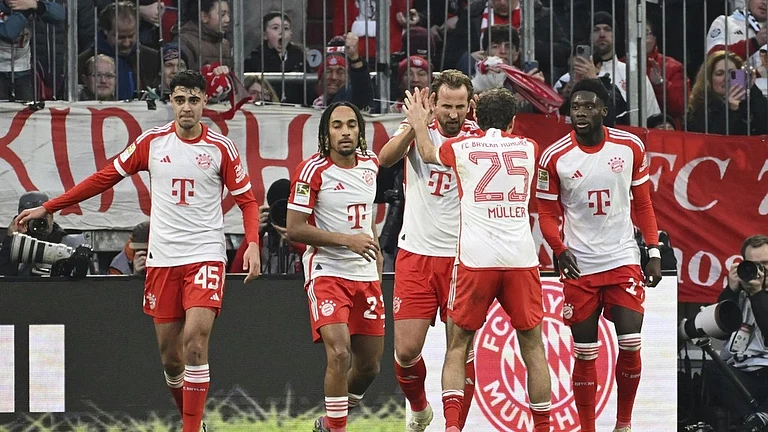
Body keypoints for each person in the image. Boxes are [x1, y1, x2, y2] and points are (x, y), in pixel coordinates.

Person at [15, 70, 262, 432]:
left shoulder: (221, 148)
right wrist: (50, 206)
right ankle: (194, 420)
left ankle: (191, 430)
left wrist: (252, 241)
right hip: (163, 259)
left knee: (195, 343)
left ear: (205, 102)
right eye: (180, 100)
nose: (187, 108)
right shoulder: (152, 143)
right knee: (171, 359)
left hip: (205, 253)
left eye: (194, 100)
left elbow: (248, 201)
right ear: (171, 102)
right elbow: (104, 177)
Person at [403, 86, 552, 432]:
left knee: (457, 346)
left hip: (476, 258)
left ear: (474, 115)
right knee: (533, 347)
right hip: (520, 258)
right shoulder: (529, 148)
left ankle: (452, 427)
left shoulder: (462, 147)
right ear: (514, 121)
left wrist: (418, 123)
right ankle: (544, 428)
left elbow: (425, 152)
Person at [536, 78, 663, 432]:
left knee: (631, 341)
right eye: (575, 107)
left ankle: (624, 424)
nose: (581, 113)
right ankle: (588, 428)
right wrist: (558, 250)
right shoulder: (554, 157)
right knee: (585, 351)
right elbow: (546, 213)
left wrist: (651, 249)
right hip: (580, 266)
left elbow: (644, 203)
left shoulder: (630, 147)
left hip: (622, 257)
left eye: (589, 106)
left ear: (604, 111)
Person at [377, 69, 481, 432]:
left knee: (461, 351)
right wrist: (413, 124)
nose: (452, 114)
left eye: (460, 106)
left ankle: (454, 427)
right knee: (405, 353)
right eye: (445, 106)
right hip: (416, 254)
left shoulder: (479, 139)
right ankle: (420, 409)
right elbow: (385, 159)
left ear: (471, 106)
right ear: (432, 103)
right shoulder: (417, 128)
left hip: (461, 259)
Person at [285, 101, 384, 432]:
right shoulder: (311, 170)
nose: (346, 131)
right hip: (327, 271)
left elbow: (365, 218)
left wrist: (375, 249)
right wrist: (347, 240)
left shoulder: (371, 166)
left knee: (369, 367)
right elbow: (295, 227)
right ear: (326, 134)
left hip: (366, 274)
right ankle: (337, 429)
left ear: (360, 131)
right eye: (338, 125)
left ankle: (331, 420)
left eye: (352, 125)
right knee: (340, 354)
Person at [708, 235, 768, 432]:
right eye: (754, 264)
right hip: (742, 372)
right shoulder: (739, 290)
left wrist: (758, 294)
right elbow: (720, 333)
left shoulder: (754, 291)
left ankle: (757, 421)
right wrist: (730, 291)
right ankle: (755, 420)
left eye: (765, 264)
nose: (761, 270)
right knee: (713, 368)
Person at [77, 1, 160, 100]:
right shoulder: (82, 63)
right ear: (105, 31)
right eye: (120, 37)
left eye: (131, 36)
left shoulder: (153, 59)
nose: (126, 43)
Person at [0, 192, 91, 276]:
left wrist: (79, 260)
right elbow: (5, 280)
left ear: (52, 216)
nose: (38, 223)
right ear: (21, 218)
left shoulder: (70, 243)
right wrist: (11, 241)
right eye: (32, 219)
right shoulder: (13, 246)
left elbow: (82, 283)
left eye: (42, 217)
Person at [686, 50, 768, 136]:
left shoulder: (750, 99)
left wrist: (752, 89)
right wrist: (731, 110)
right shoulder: (697, 109)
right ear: (708, 79)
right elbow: (713, 142)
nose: (727, 78)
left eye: (732, 73)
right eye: (719, 74)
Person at [0, 0, 65, 101]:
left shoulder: (28, 3)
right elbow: (8, 32)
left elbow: (60, 15)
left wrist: (35, 5)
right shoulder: (24, 7)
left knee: (26, 112)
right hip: (1, 69)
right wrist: (26, 10)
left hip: (23, 70)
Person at [244, 12, 305, 103]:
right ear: (265, 35)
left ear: (291, 34)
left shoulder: (299, 56)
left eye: (286, 28)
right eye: (275, 28)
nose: (281, 32)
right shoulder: (255, 58)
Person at [311, 33, 374, 110]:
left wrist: (354, 58)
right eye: (328, 71)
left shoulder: (353, 97)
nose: (334, 77)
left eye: (340, 72)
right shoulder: (316, 103)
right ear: (320, 79)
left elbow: (362, 91)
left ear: (350, 77)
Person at [706, 0, 768, 70]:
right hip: (737, 79)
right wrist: (755, 42)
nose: (765, 2)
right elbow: (714, 56)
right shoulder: (725, 22)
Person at [177, 0, 232, 72]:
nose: (227, 19)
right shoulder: (185, 41)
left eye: (228, 15)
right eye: (222, 15)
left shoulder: (225, 44)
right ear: (204, 16)